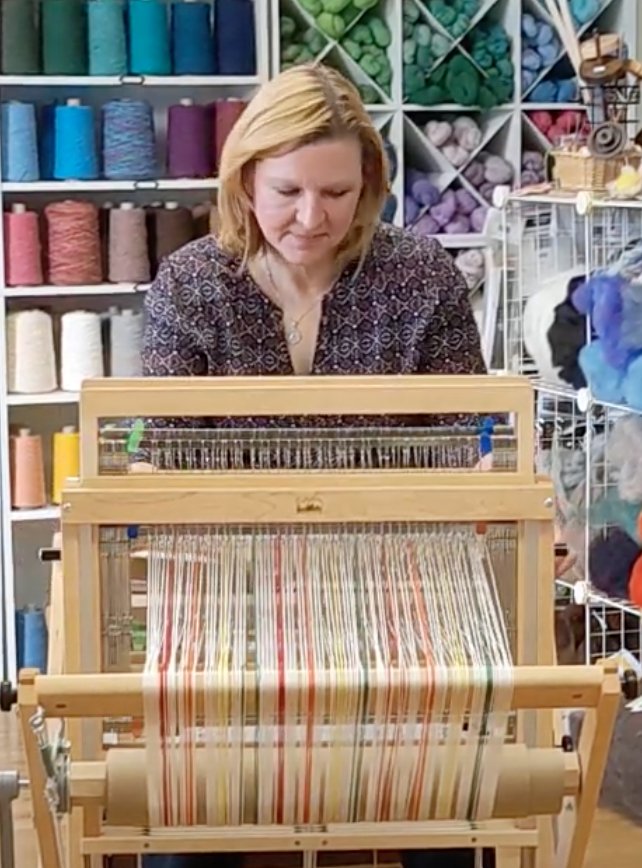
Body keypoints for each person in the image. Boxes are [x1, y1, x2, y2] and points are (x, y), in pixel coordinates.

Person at [139, 62, 494, 868]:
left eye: (336, 193)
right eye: (288, 191)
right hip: (227, 589)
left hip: (396, 587)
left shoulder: (420, 277)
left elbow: (456, 447)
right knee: (190, 803)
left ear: (368, 182)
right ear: (245, 179)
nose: (311, 218)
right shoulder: (192, 287)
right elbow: (169, 457)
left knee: (445, 803)